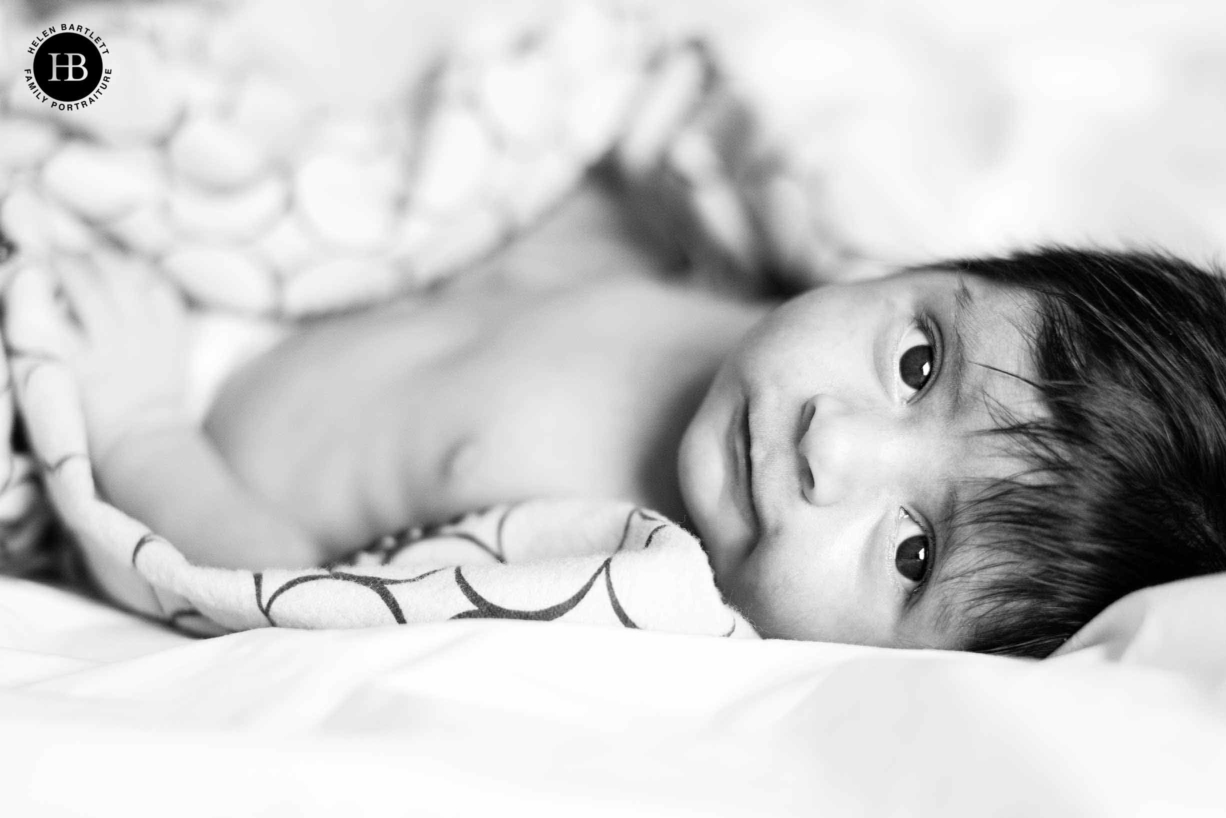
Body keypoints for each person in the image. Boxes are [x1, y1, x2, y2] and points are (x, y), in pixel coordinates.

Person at [31, 185, 1226, 658]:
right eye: (919, 361)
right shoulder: (738, 274)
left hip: (138, 416)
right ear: (931, 266)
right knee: (87, 61)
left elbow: (302, 596)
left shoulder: (615, 584)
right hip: (240, 260)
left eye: (913, 552)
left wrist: (137, 427)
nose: (833, 443)